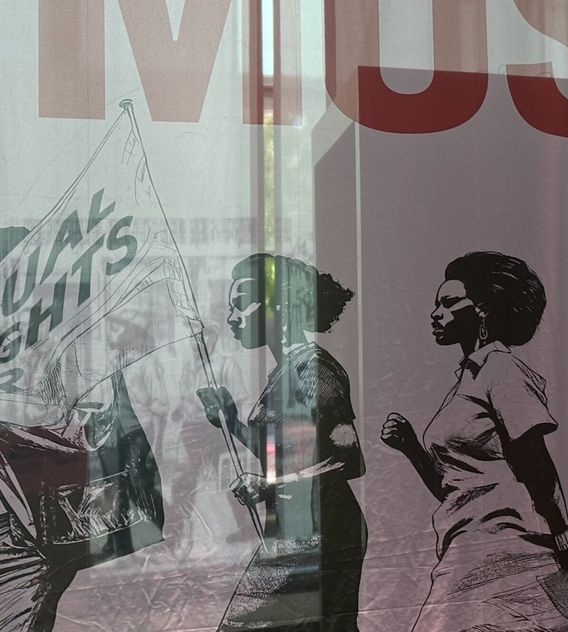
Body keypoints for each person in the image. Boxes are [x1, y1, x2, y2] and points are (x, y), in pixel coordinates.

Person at [382, 252, 568, 632]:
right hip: (466, 547)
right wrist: (412, 449)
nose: (436, 313)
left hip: (509, 552)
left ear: (483, 310)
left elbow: (539, 468)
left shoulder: (502, 370)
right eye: (437, 304)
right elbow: (456, 488)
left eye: (449, 303)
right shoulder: (467, 381)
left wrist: (566, 544)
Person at [198, 253, 366, 632]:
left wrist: (269, 485)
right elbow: (283, 456)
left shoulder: (313, 368)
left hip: (322, 530)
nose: (232, 317)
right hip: (295, 530)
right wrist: (232, 422)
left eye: (242, 304)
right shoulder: (284, 373)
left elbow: (349, 458)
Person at [0, 372, 163, 631]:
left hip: (38, 514)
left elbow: (85, 420)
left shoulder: (76, 366)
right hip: (35, 512)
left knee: (20, 608)